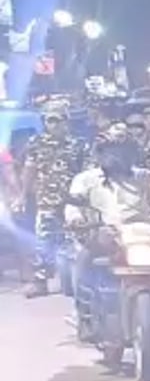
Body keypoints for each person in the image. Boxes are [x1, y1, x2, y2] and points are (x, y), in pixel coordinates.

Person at [64, 124, 150, 374]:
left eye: (123, 151)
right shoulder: (85, 179)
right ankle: (85, 317)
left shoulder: (145, 177)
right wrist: (75, 219)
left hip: (141, 235)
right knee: (83, 266)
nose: (117, 157)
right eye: (111, 151)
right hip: (102, 235)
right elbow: (73, 205)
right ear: (100, 152)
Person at [23, 99, 88, 299]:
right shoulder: (36, 143)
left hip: (73, 202)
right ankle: (40, 282)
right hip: (46, 201)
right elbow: (29, 169)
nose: (54, 125)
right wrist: (23, 195)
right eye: (50, 121)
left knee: (74, 241)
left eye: (58, 120)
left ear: (66, 121)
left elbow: (86, 173)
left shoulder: (78, 144)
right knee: (43, 242)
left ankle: (77, 282)